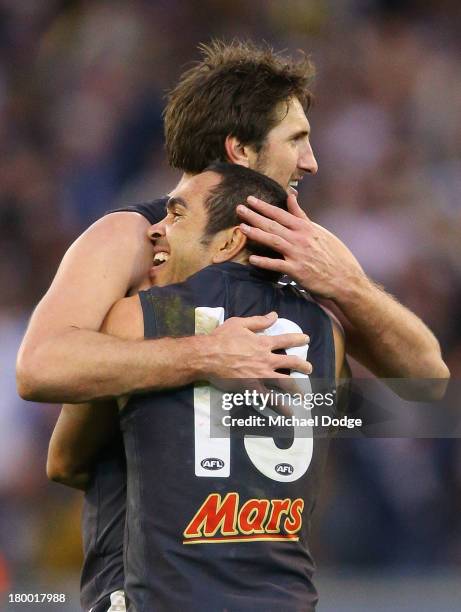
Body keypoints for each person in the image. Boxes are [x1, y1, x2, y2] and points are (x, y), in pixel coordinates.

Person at [63, 163, 346, 611]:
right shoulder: (328, 332)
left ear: (230, 241)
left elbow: (65, 460)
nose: (155, 230)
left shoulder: (139, 317)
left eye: (176, 216)